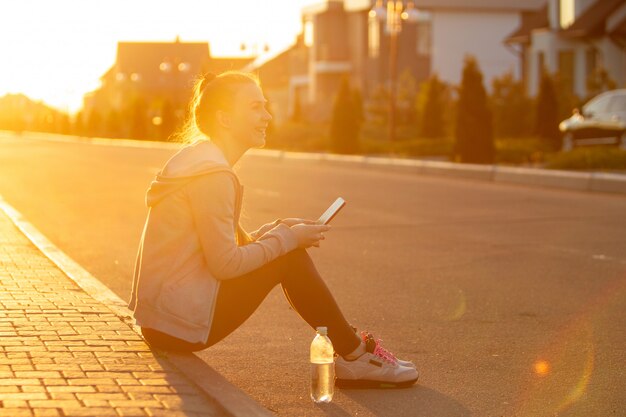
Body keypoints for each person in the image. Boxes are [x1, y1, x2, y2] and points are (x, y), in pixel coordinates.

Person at [127, 70, 418, 388]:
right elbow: (226, 263)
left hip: (164, 318)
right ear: (225, 119)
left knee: (286, 247)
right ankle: (355, 354)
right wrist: (287, 239)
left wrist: (280, 229)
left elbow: (225, 246)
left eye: (265, 106)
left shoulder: (200, 162)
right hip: (177, 325)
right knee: (289, 259)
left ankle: (352, 352)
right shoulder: (212, 175)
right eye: (255, 107)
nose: (267, 115)